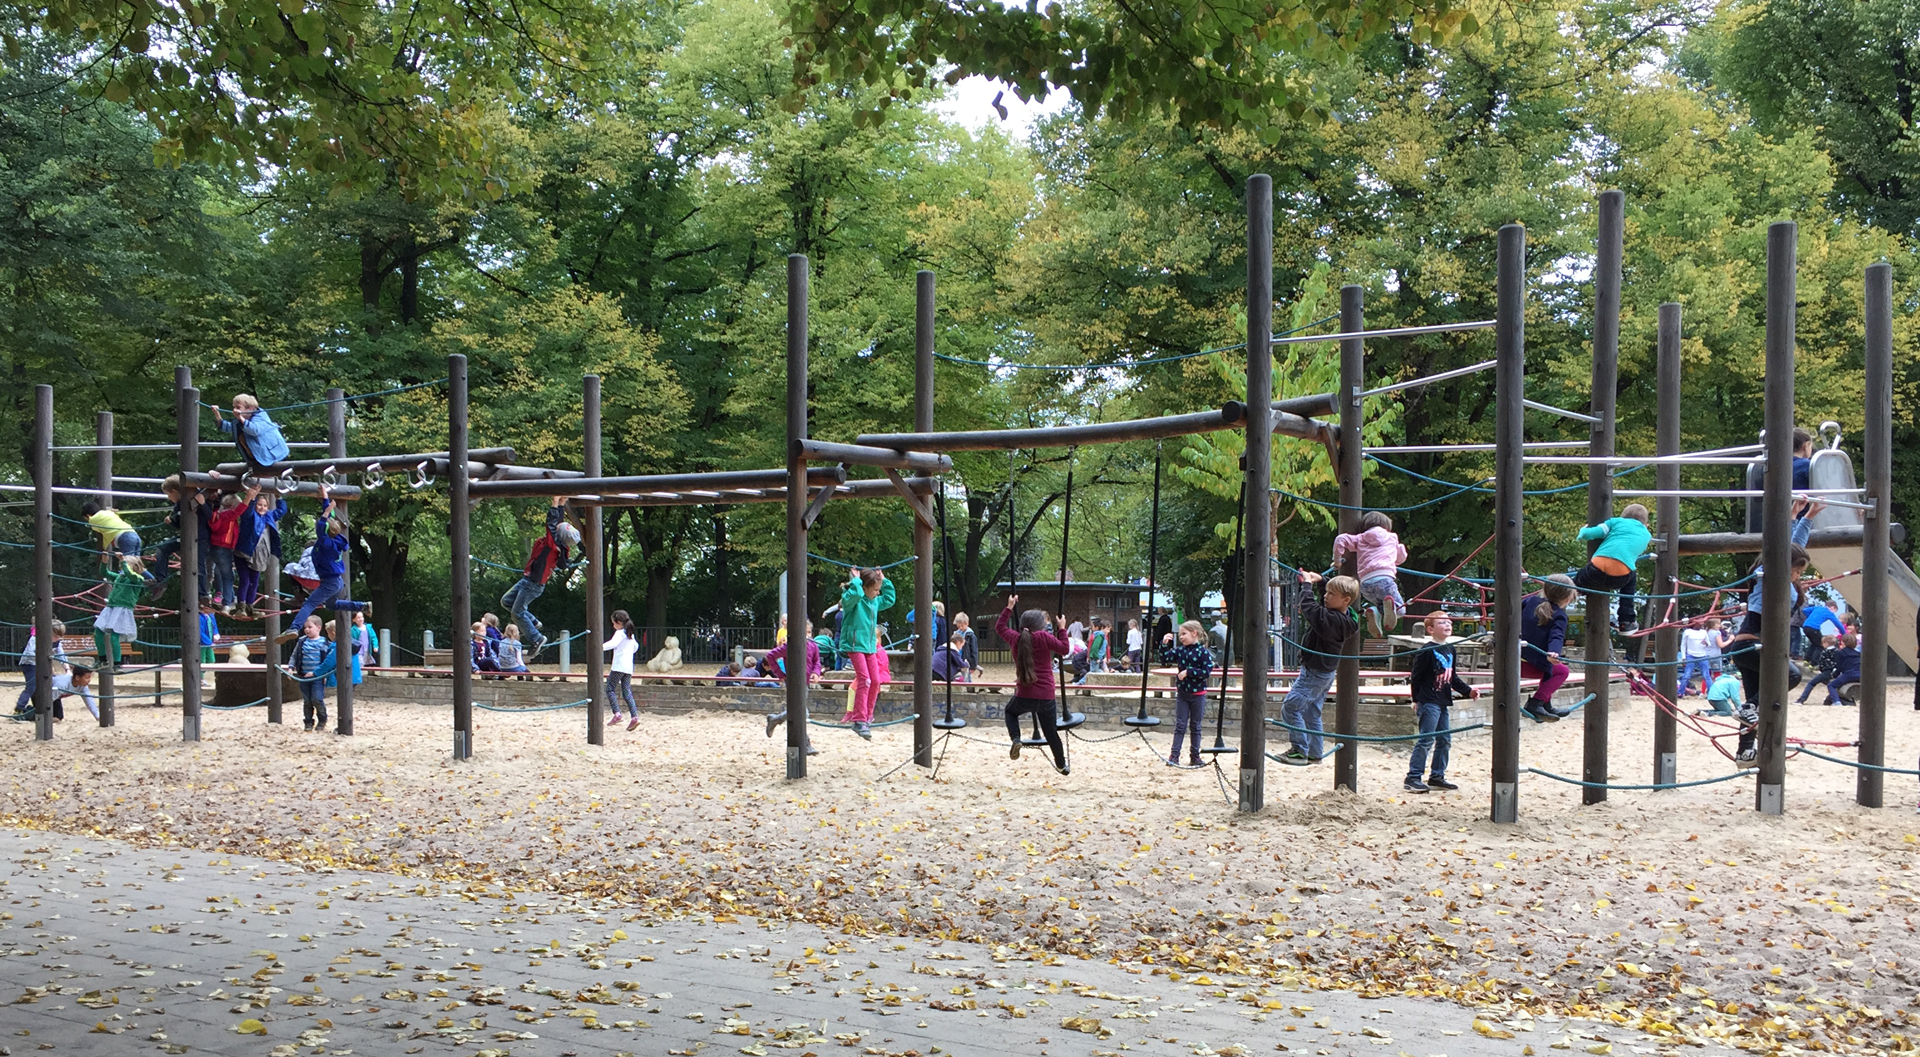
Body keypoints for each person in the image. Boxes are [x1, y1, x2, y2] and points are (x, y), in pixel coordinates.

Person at [1726, 516, 1814, 761]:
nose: (1797, 575)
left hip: (1750, 648)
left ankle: (1744, 752)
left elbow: (1792, 547)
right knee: (1791, 675)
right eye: (1796, 570)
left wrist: (1806, 519)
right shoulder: (1768, 578)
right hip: (1751, 645)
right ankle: (1748, 708)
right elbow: (1778, 551)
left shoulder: (1783, 581)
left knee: (1756, 700)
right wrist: (1787, 519)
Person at [1276, 572, 1359, 765]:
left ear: (1346, 600)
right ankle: (1315, 752)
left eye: (1331, 594)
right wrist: (1322, 582)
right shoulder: (1347, 617)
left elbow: (1309, 608)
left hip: (1315, 672)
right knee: (1311, 712)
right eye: (1326, 592)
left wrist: (1306, 585)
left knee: (1290, 707)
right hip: (1324, 671)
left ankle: (1299, 750)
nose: (1325, 596)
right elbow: (1322, 605)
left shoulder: (1331, 621)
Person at [997, 596, 1072, 775]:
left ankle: (1016, 738)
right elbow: (1064, 649)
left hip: (1024, 692)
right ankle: (1061, 765)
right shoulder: (1044, 637)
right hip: (1046, 695)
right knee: (1051, 733)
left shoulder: (1015, 638)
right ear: (1041, 625)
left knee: (1010, 712)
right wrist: (1062, 628)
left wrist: (1009, 607)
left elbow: (1000, 627)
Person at [1405, 611, 1478, 793]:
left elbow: (1452, 678)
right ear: (1430, 629)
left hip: (1443, 701)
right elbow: (1416, 677)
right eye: (1442, 622)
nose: (1447, 625)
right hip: (1428, 701)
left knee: (1445, 739)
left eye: (1449, 622)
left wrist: (1468, 691)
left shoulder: (1450, 649)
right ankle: (1413, 777)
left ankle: (1437, 776)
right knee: (1426, 739)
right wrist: (1415, 699)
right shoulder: (1426, 651)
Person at [499, 496, 580, 658]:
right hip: (528, 581)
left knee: (517, 614)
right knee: (506, 601)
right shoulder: (558, 543)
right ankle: (534, 621)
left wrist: (554, 503)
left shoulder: (553, 546)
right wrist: (562, 505)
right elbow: (556, 524)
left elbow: (551, 524)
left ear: (557, 534)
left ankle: (537, 638)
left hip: (532, 584)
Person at [279, 485, 355, 642]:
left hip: (318, 579)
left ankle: (294, 625)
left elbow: (323, 525)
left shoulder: (325, 544)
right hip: (334, 581)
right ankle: (362, 606)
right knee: (332, 604)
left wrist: (326, 512)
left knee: (308, 603)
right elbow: (330, 521)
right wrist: (325, 498)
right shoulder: (338, 539)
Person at [1573, 503, 1653, 631]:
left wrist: (1583, 530)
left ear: (1623, 517)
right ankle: (1626, 621)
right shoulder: (1647, 535)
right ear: (1646, 524)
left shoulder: (1615, 522)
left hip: (1595, 571)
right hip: (1619, 578)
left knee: (1577, 579)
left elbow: (1590, 534)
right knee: (1631, 579)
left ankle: (1573, 591)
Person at [838, 568, 896, 740]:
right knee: (865, 680)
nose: (878, 593)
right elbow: (854, 594)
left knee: (876, 680)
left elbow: (890, 599)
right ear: (865, 588)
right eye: (876, 589)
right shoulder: (852, 600)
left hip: (870, 646)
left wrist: (884, 582)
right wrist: (856, 581)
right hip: (855, 645)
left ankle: (868, 716)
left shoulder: (874, 601)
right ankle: (859, 719)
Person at [1333, 510, 1409, 636]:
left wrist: (1337, 561)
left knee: (1382, 604)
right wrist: (1400, 549)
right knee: (1400, 611)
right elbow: (1400, 558)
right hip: (1385, 579)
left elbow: (1341, 539)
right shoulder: (1391, 537)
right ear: (1387, 527)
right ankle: (1385, 609)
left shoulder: (1361, 538)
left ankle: (1375, 611)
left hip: (1365, 584)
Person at [1518, 574, 1577, 723]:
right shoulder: (1560, 615)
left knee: (1549, 669)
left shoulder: (1530, 601)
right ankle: (1536, 703)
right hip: (1525, 665)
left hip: (1513, 657)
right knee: (1561, 671)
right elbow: (1556, 636)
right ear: (1567, 598)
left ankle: (1545, 704)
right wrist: (1554, 652)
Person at [1159, 619, 1215, 767]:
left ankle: (1195, 756)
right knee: (1180, 725)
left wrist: (1189, 672)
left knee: (1196, 726)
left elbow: (1206, 671)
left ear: (1194, 633)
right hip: (1183, 694)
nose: (1181, 637)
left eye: (1184, 634)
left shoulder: (1203, 653)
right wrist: (1164, 644)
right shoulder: (1181, 651)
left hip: (1198, 695)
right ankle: (1174, 755)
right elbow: (1165, 659)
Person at [762, 621, 825, 749]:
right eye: (804, 632)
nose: (807, 635)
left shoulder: (813, 646)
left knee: (796, 711)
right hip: (792, 682)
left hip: (805, 682)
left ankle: (775, 719)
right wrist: (780, 674)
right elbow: (770, 656)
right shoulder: (789, 646)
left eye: (808, 632)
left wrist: (815, 673)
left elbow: (816, 661)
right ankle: (806, 744)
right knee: (801, 711)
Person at [148, 476, 211, 602]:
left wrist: (203, 504)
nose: (168, 498)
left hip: (200, 537)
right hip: (185, 536)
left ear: (174, 491)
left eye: (168, 495)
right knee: (162, 548)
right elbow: (179, 524)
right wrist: (171, 521)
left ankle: (203, 593)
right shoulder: (178, 505)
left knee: (199, 564)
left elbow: (210, 517)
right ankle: (161, 580)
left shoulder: (197, 496)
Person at [234, 487, 286, 618]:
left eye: (264, 506)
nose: (262, 508)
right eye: (259, 505)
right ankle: (241, 606)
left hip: (260, 554)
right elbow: (247, 512)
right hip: (244, 552)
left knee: (254, 582)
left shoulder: (269, 516)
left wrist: (279, 497)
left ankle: (250, 606)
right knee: (245, 580)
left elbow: (281, 511)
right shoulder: (251, 516)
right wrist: (251, 498)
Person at [211, 393, 290, 474]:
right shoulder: (240, 421)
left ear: (250, 408)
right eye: (234, 407)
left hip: (274, 457)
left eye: (238, 407)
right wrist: (217, 413)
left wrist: (240, 418)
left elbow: (255, 430)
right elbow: (227, 427)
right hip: (258, 461)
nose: (234, 410)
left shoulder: (261, 417)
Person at [93, 557, 145, 674]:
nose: (122, 566)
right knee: (98, 632)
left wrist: (122, 560)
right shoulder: (119, 577)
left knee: (114, 636)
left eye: (126, 563)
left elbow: (130, 575)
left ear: (134, 566)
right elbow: (104, 573)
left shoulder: (138, 579)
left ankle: (117, 664)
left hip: (123, 609)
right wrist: (104, 561)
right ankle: (102, 659)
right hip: (111, 607)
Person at [81, 501, 150, 581]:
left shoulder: (93, 520)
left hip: (125, 538)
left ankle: (121, 586)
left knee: (127, 565)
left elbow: (99, 532)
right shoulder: (109, 513)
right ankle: (154, 581)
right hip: (134, 535)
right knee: (136, 566)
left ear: (88, 515)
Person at [13, 620, 68, 717]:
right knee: (31, 687)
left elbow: (61, 655)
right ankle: (19, 708)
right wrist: (43, 659)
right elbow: (30, 653)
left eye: (60, 636)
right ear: (48, 633)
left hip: (43, 664)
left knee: (52, 682)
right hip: (29, 664)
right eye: (55, 636)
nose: (58, 639)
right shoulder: (36, 638)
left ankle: (53, 710)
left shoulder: (57, 642)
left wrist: (67, 669)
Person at [290, 615, 334, 731]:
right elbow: (294, 655)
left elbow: (328, 661)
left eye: (310, 627)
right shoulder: (302, 641)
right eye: (305, 627)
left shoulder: (325, 643)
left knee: (317, 699)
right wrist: (290, 667)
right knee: (307, 700)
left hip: (318, 677)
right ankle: (308, 722)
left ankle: (322, 719)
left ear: (318, 628)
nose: (307, 629)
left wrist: (325, 675)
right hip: (303, 675)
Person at [207, 493, 245, 612]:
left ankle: (230, 599)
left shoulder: (217, 514)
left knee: (221, 572)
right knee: (228, 576)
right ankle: (226, 603)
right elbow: (239, 510)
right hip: (224, 548)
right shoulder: (228, 515)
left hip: (214, 548)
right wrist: (249, 498)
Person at [604, 609, 640, 731]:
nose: (613, 626)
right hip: (628, 667)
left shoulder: (620, 633)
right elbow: (635, 647)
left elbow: (612, 644)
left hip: (618, 666)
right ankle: (634, 716)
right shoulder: (630, 634)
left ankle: (617, 713)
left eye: (614, 623)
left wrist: (598, 646)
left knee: (610, 688)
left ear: (619, 622)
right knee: (626, 691)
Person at [1679, 617, 1719, 697]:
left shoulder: (1704, 632)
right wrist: (1683, 657)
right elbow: (1683, 645)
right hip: (1690, 655)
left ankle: (1711, 693)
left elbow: (1709, 644)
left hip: (1703, 655)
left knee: (1706, 675)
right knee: (1687, 675)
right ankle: (1680, 692)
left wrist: (1706, 643)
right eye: (1699, 622)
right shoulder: (1687, 632)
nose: (1701, 623)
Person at [1796, 633, 1839, 704]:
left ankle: (1801, 699)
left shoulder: (1824, 652)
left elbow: (1822, 664)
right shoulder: (1838, 651)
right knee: (1831, 685)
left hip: (1827, 672)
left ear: (1826, 643)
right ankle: (1833, 699)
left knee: (1811, 683)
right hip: (1835, 671)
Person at [1825, 633, 1862, 706]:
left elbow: (1839, 667)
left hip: (1849, 674)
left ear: (1843, 642)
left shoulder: (1841, 653)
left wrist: (1834, 675)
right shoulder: (1858, 653)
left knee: (1831, 685)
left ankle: (1836, 702)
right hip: (1860, 675)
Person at [952, 612, 981, 680]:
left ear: (967, 624)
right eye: (958, 626)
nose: (960, 628)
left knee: (966, 677)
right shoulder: (956, 634)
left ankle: (968, 688)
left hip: (966, 660)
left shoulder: (970, 636)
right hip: (958, 659)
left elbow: (974, 651)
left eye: (962, 626)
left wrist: (973, 666)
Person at [351, 612, 377, 682]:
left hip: (367, 650)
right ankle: (360, 678)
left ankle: (365, 678)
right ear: (354, 620)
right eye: (358, 618)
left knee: (368, 663)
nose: (361, 619)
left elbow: (373, 637)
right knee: (360, 663)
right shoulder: (353, 630)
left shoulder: (368, 627)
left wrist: (375, 646)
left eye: (362, 617)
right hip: (358, 651)